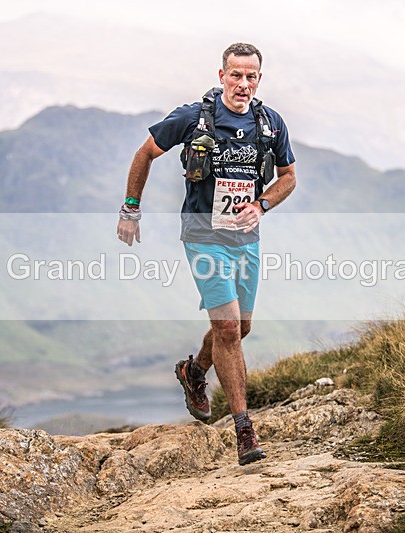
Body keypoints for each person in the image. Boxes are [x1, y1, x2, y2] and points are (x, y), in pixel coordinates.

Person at [117, 42, 297, 465]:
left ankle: (195, 370)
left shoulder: (270, 124)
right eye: (236, 75)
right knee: (229, 330)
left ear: (259, 79)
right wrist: (130, 209)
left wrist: (262, 204)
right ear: (221, 76)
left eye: (251, 76)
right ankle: (244, 432)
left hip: (245, 239)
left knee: (240, 327)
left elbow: (289, 177)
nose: (243, 84)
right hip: (202, 233)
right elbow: (145, 153)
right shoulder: (193, 118)